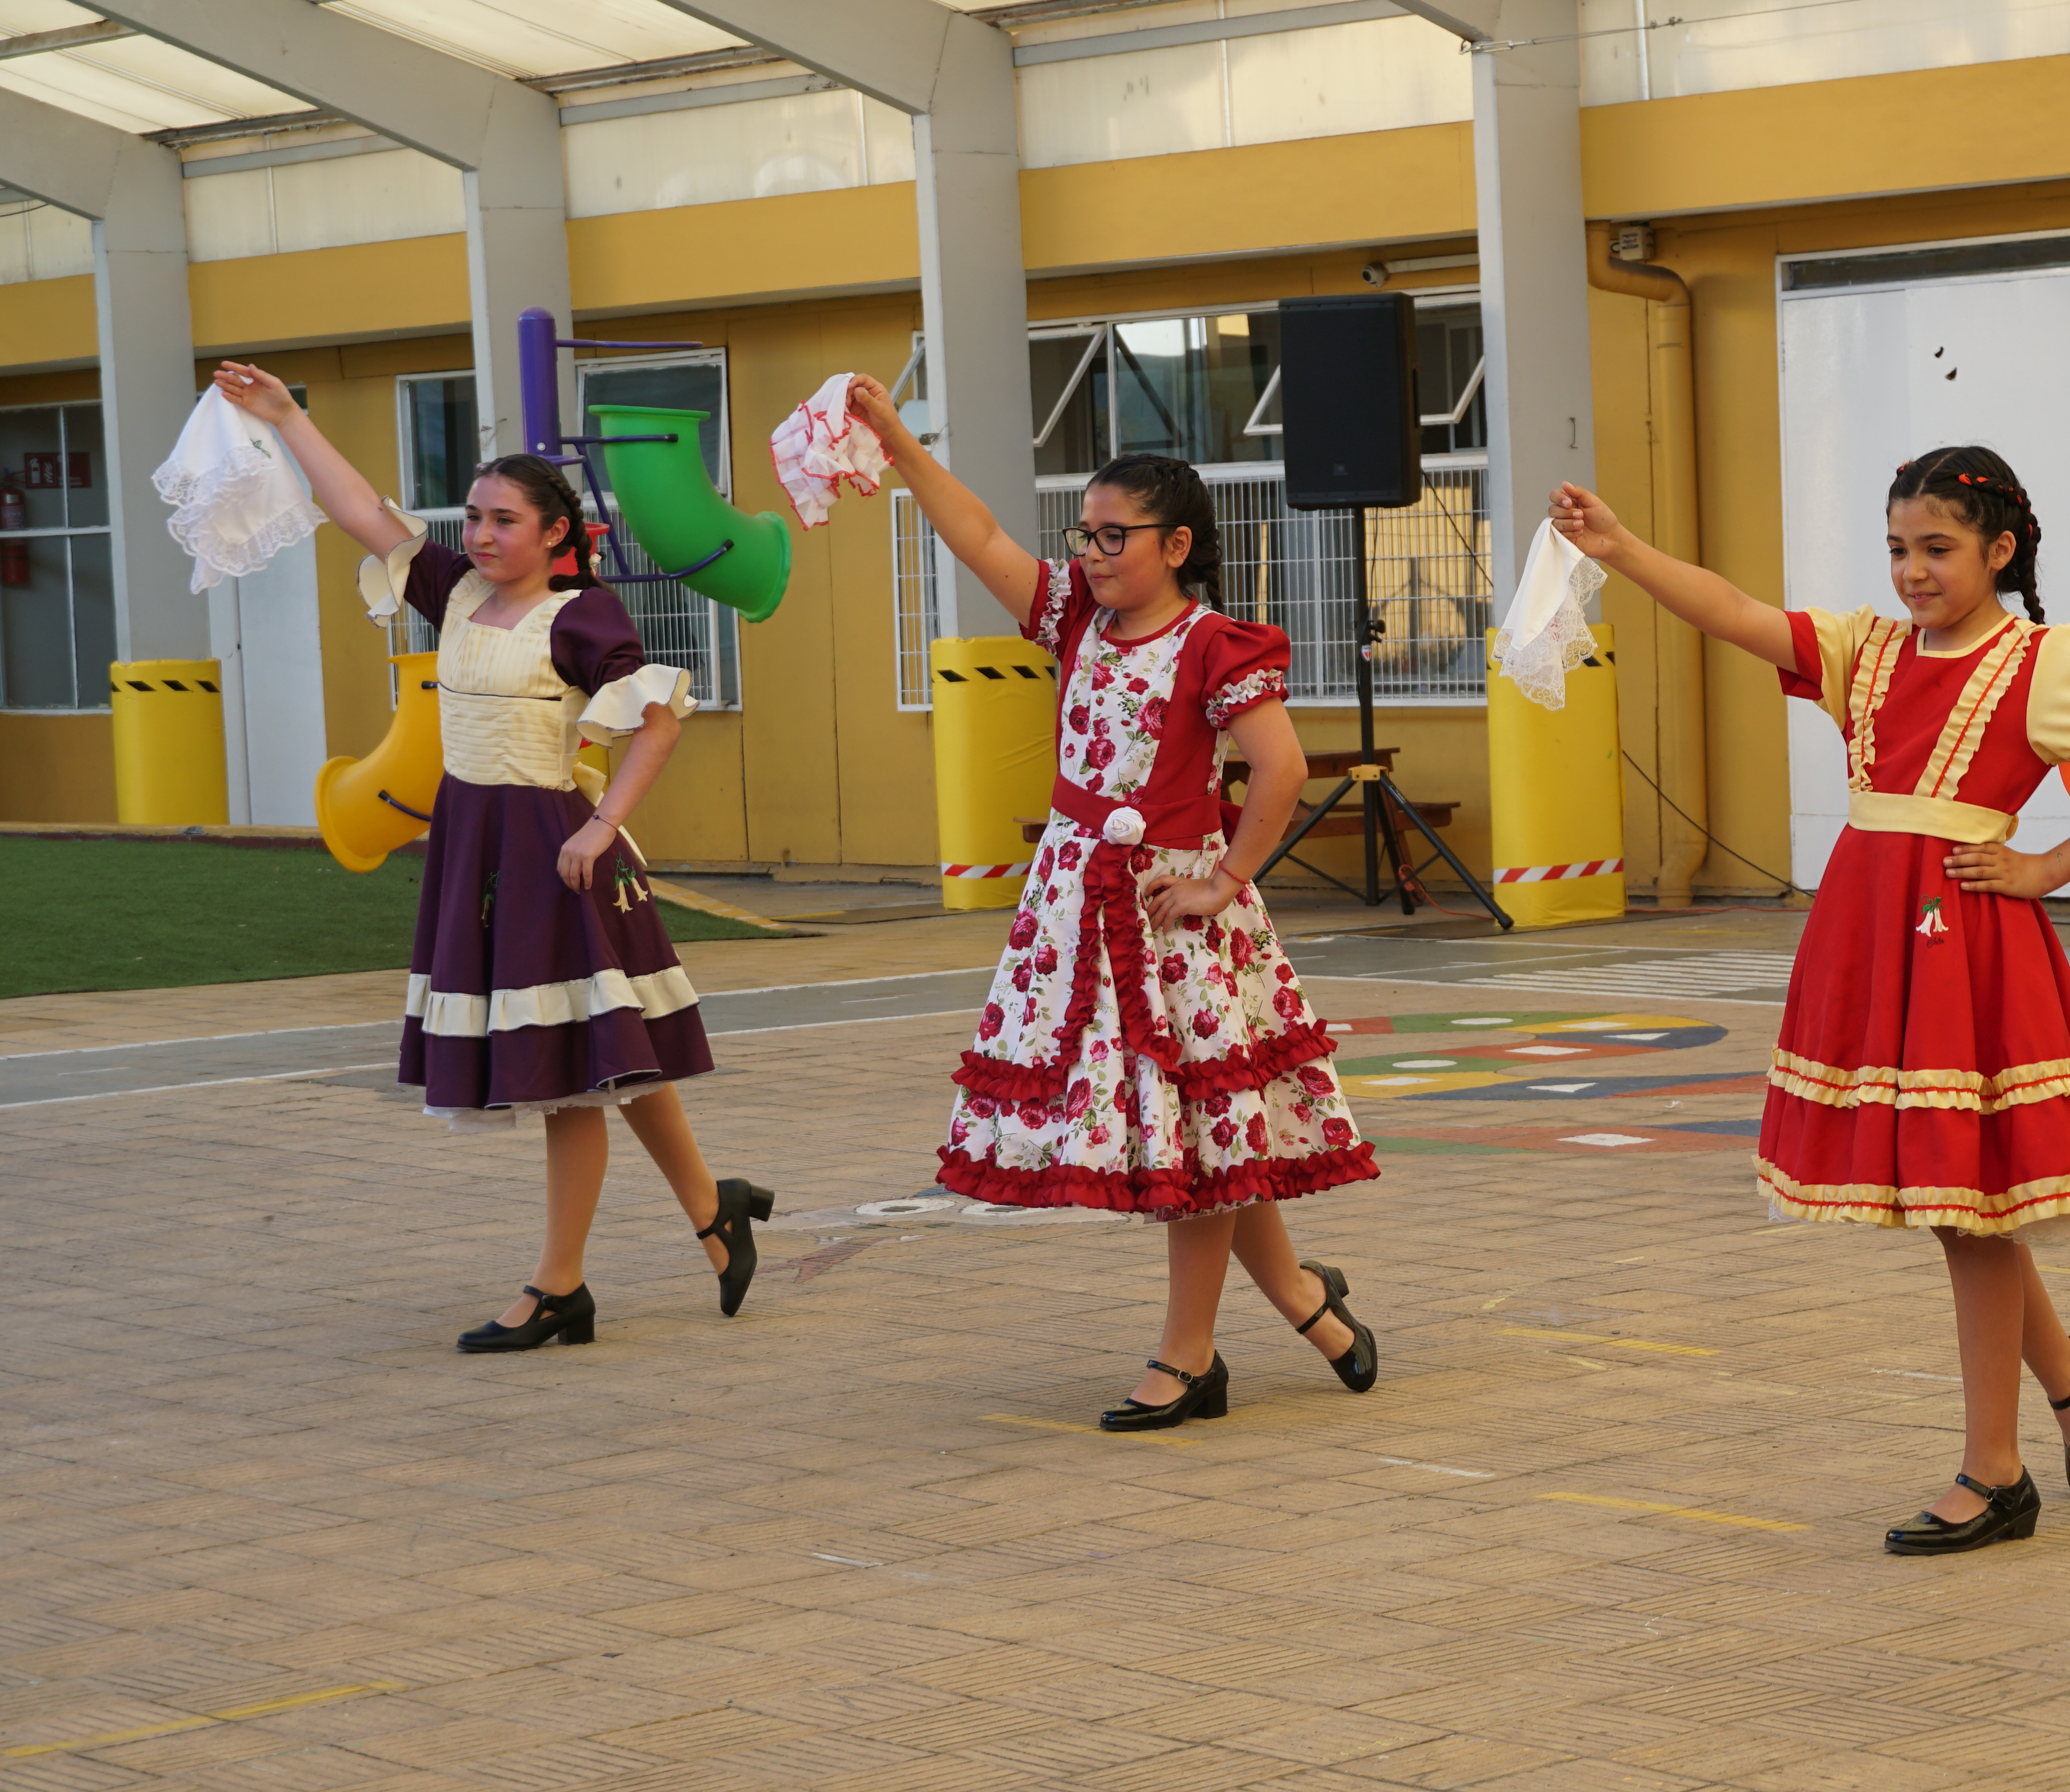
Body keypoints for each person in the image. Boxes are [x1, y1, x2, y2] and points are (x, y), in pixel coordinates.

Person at [1549, 446, 2070, 1554]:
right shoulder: (1869, 652)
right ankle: (2068, 1371)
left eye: (1937, 549)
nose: (1912, 571)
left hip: (1967, 947)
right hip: (1870, 933)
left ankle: (1997, 1471)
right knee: (1965, 1198)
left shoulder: (2043, 662)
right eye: (1899, 548)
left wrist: (2045, 868)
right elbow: (1740, 613)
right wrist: (1622, 553)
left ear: (2001, 550)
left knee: (1965, 1203)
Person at [844, 374, 1380, 1430]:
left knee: (1197, 1129)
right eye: (1083, 534)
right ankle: (1308, 1304)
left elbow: (1280, 770)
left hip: (1174, 915)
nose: (1090, 554)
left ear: (1176, 545)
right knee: (1204, 1133)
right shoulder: (1073, 621)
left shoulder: (1218, 644)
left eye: (1112, 536)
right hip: (1076, 907)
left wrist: (1223, 879)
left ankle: (1188, 1353)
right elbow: (981, 534)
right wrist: (898, 442)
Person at [215, 361, 769, 1353]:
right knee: (606, 1056)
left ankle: (559, 1287)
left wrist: (601, 830)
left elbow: (655, 724)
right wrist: (289, 418)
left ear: (557, 533)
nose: (479, 534)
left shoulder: (586, 616)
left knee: (570, 1073)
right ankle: (712, 1210)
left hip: (557, 857)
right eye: (472, 516)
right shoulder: (456, 592)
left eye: (503, 519)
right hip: (478, 854)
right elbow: (359, 513)